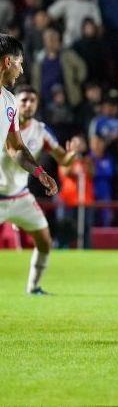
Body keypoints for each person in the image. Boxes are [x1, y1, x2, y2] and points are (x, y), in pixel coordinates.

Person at [0, 84, 79, 293]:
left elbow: (63, 160)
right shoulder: (3, 122)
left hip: (20, 196)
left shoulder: (40, 131)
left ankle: (33, 287)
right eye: (23, 100)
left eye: (32, 101)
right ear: (14, 102)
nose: (28, 104)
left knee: (44, 242)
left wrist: (72, 156)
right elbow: (16, 153)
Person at [0, 35, 59, 256]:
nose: (21, 71)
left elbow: (15, 147)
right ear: (7, 62)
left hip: (14, 192)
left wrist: (39, 172)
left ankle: (34, 288)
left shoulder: (9, 102)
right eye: (19, 63)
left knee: (44, 241)